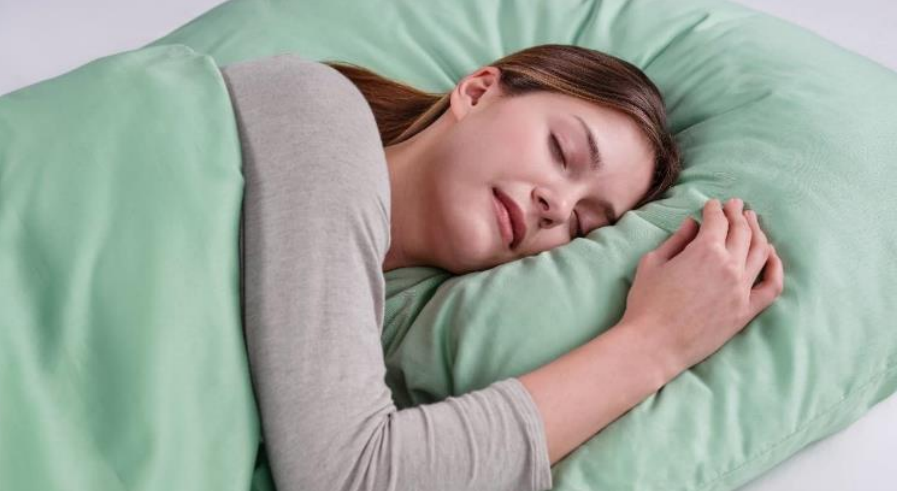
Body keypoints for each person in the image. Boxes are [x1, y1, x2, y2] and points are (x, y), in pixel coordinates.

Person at [225, 44, 784, 491]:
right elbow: (351, 478)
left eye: (583, 223)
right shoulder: (315, 108)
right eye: (561, 152)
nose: (558, 206)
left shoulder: (378, 333)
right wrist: (656, 343)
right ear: (478, 92)